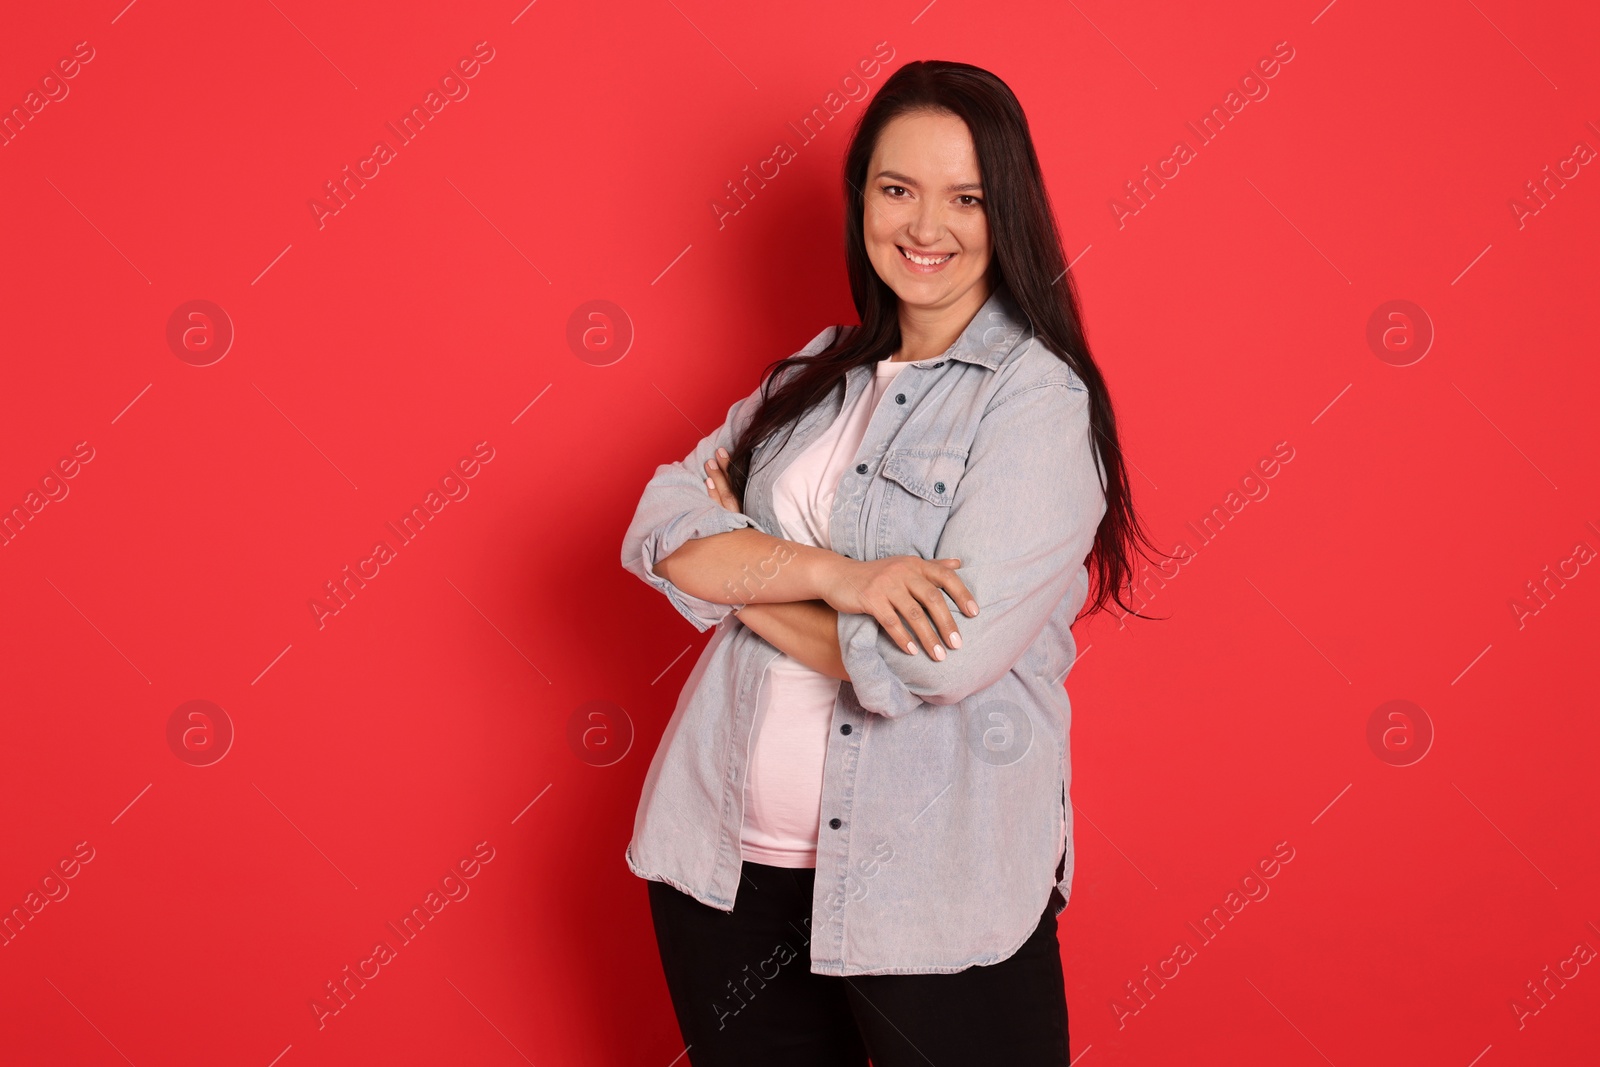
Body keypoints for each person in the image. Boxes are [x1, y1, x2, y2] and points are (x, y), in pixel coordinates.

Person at [619, 58, 1160, 1067]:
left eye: (965, 197)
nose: (926, 226)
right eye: (896, 188)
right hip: (720, 865)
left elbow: (933, 662)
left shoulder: (1038, 404)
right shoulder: (811, 376)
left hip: (936, 887)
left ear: (1009, 212)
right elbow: (656, 529)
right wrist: (840, 576)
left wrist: (745, 572)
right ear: (861, 196)